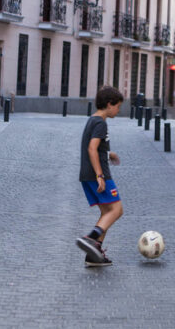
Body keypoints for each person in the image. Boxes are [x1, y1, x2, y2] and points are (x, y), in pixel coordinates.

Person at [76, 86, 124, 266]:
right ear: (109, 104)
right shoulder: (100, 123)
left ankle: (93, 254)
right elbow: (91, 148)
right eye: (117, 106)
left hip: (86, 175)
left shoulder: (93, 120)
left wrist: (108, 153)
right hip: (97, 174)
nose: (118, 111)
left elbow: (96, 146)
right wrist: (100, 175)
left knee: (106, 213)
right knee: (117, 210)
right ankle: (91, 238)